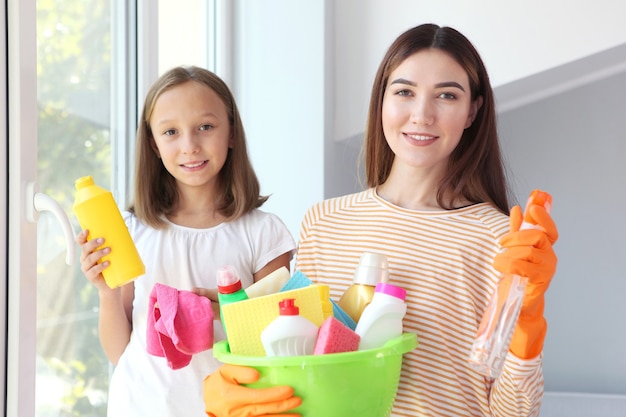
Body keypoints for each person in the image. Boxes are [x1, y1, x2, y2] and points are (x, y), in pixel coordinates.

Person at [203, 23, 558, 417]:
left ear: (472, 111)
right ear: (382, 101)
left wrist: (527, 323)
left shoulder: (498, 240)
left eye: (446, 95)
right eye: (404, 92)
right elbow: (305, 369)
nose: (422, 115)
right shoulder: (325, 222)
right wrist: (237, 389)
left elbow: (515, 412)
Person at [77, 65, 296, 417]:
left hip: (230, 408)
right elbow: (122, 352)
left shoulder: (264, 233)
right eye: (171, 132)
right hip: (140, 405)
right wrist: (107, 293)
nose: (190, 146)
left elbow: (278, 344)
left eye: (205, 127)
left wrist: (228, 311)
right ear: (153, 144)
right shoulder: (132, 229)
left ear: (232, 133)